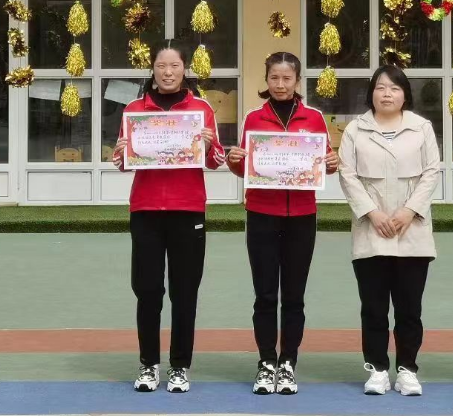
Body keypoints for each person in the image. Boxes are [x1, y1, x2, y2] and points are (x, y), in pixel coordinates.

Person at [112, 39, 225, 393]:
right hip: (145, 210)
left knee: (184, 291)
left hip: (187, 209)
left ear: (184, 69)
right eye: (161, 66)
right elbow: (122, 163)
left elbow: (216, 160)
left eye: (174, 66)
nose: (168, 72)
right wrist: (120, 152)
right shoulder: (135, 109)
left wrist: (210, 145)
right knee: (147, 290)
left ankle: (179, 366)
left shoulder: (201, 109)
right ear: (153, 70)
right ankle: (149, 364)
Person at [226, 52, 339, 395]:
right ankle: (265, 362)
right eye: (274, 77)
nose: (280, 84)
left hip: (302, 216)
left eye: (287, 78)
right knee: (264, 295)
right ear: (267, 79)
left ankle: (288, 362)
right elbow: (244, 168)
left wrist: (331, 162)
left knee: (294, 296)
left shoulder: (314, 118)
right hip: (261, 213)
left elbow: (325, 161)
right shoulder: (253, 118)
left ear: (297, 81)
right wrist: (234, 161)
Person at [338, 65, 440, 396]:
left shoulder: (421, 128)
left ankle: (408, 369)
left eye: (394, 88)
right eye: (380, 88)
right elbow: (347, 174)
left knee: (410, 308)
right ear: (371, 93)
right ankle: (378, 369)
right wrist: (372, 212)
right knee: (374, 308)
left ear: (405, 94)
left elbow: (431, 172)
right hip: (372, 230)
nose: (387, 94)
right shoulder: (356, 130)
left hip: (412, 231)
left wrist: (410, 211)